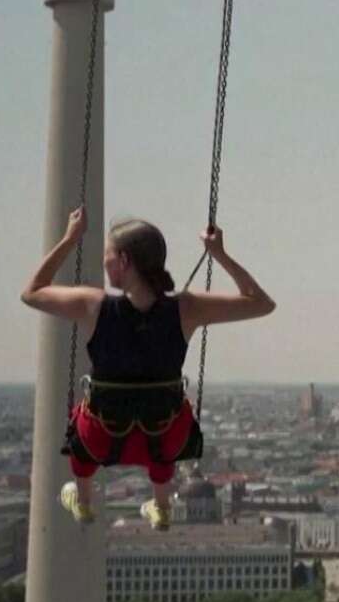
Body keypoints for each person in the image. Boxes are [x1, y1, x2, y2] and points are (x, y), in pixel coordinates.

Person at [21, 208, 275, 528]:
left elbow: (31, 292)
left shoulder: (94, 305)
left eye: (108, 256)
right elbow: (261, 303)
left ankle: (83, 501)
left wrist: (70, 239)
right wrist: (219, 254)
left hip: (102, 436)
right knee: (166, 422)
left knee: (81, 431)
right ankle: (162, 505)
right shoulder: (186, 308)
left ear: (124, 261)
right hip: (165, 436)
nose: (104, 262)